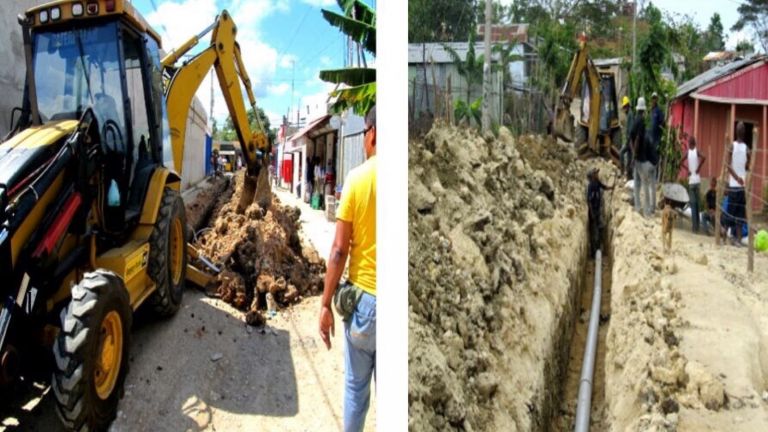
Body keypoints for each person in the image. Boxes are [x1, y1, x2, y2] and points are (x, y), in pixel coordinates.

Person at [318, 106, 377, 432]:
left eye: (366, 132)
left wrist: (326, 304)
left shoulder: (357, 179)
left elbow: (339, 250)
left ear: (373, 133)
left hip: (365, 305)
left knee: (356, 390)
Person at [726, 122, 750, 246]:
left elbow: (727, 165)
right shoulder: (746, 148)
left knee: (734, 212)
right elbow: (748, 165)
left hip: (736, 185)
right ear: (744, 133)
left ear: (736, 132)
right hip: (740, 186)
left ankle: (734, 238)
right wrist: (740, 176)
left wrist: (736, 177)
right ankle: (735, 238)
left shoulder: (732, 146)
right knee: (738, 212)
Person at [631, 97, 655, 216]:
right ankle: (646, 212)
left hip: (636, 158)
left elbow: (631, 138)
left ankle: (637, 207)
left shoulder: (635, 120)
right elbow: (637, 139)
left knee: (636, 184)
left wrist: (633, 155)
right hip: (640, 158)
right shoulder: (641, 122)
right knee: (645, 185)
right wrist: (635, 155)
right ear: (643, 109)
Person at [587, 167, 614, 257]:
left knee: (600, 228)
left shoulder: (597, 182)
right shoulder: (591, 186)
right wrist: (592, 213)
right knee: (595, 232)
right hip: (594, 212)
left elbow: (604, 187)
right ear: (592, 175)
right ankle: (594, 252)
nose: (597, 175)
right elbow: (589, 200)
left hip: (598, 210)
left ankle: (599, 249)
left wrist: (611, 187)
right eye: (596, 174)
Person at [682, 136, 706, 233]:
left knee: (693, 204)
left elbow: (680, 162)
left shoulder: (688, 152)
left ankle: (694, 228)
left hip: (691, 181)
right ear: (695, 143)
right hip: (697, 180)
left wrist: (687, 169)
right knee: (697, 204)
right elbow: (704, 157)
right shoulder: (697, 151)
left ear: (689, 143)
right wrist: (699, 168)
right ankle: (698, 227)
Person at [619, 96, 634, 179]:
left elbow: (631, 130)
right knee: (628, 158)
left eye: (625, 107)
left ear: (628, 106)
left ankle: (624, 173)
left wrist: (628, 141)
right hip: (629, 141)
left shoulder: (630, 115)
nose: (624, 109)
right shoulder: (629, 114)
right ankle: (628, 175)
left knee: (622, 153)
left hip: (630, 141)